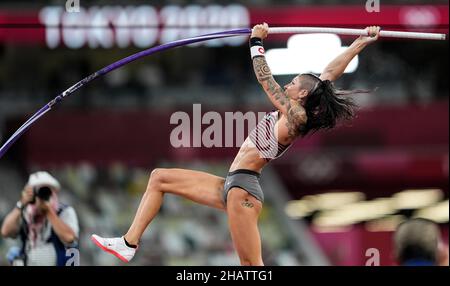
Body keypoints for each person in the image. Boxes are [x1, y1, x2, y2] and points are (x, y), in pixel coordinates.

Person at [91, 23, 381, 265]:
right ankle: (129, 242)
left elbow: (266, 81)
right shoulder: (303, 100)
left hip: (244, 190)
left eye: (293, 83)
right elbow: (329, 73)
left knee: (251, 268)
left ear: (303, 94)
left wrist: (256, 41)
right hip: (229, 184)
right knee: (160, 178)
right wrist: (359, 42)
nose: (289, 84)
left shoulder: (295, 115)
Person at [1, 171, 79, 266]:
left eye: (47, 191)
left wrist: (48, 211)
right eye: (39, 191)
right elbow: (6, 232)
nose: (42, 196)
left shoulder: (64, 211)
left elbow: (69, 238)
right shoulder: (25, 212)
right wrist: (21, 204)